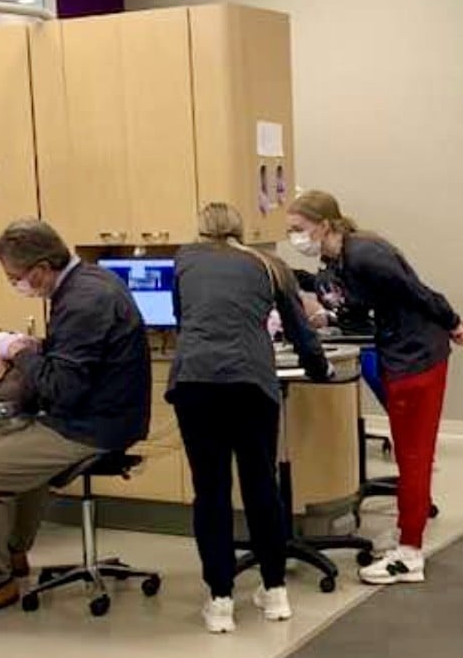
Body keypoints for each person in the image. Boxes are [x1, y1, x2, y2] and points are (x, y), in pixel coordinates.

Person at [0, 219, 152, 619]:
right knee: (11, 443)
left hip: (93, 427)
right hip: (100, 415)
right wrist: (36, 346)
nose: (16, 285)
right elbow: (78, 357)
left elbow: (62, 388)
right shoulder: (90, 283)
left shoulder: (82, 301)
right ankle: (13, 554)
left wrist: (19, 353)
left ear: (41, 270)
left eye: (15, 278)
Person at [287, 190, 463, 585]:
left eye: (298, 229)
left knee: (413, 456)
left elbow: (419, 293)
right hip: (400, 353)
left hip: (417, 358)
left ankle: (409, 555)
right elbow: (350, 302)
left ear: (324, 225)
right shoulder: (338, 259)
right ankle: (409, 534)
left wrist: (454, 323)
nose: (295, 238)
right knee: (411, 452)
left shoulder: (367, 254)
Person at [166, 202, 332, 633]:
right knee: (261, 486)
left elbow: (183, 318)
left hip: (196, 383)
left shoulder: (184, 259)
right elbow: (298, 328)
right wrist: (319, 369)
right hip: (252, 385)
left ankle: (220, 600)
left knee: (211, 490)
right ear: (241, 230)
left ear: (201, 230)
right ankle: (275, 592)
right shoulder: (269, 264)